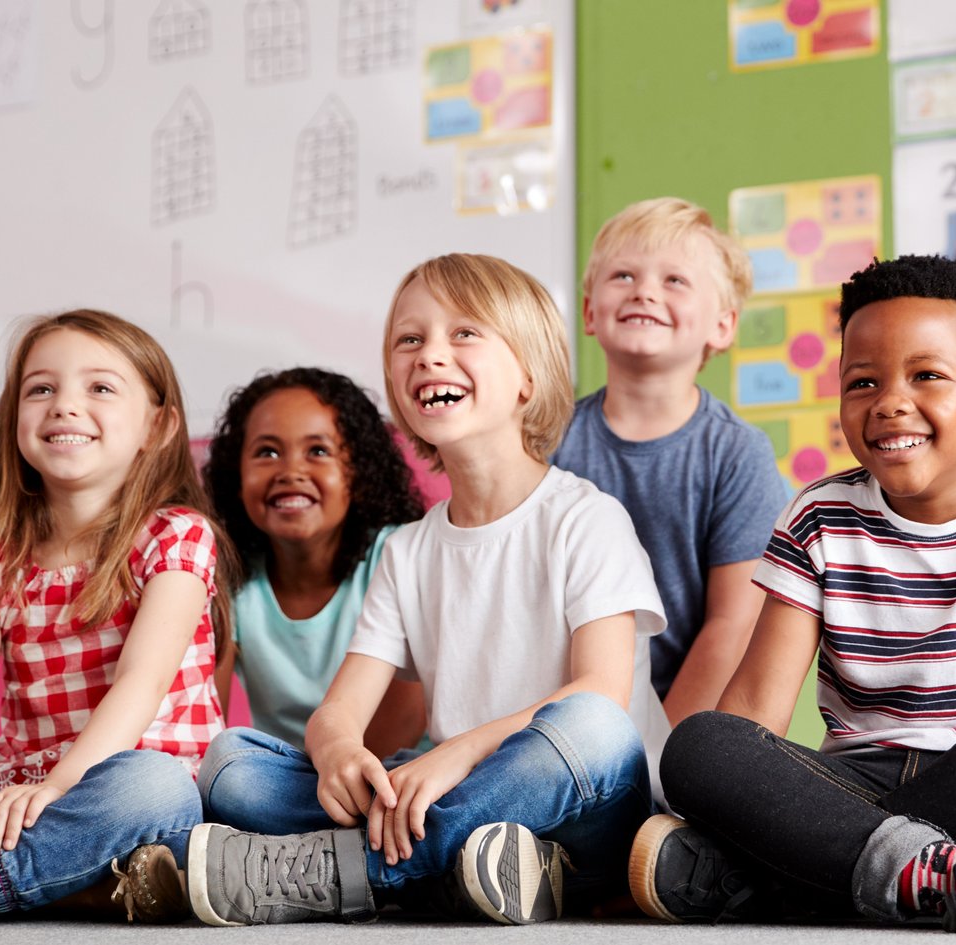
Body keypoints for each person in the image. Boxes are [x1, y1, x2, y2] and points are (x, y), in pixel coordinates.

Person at [631, 255, 956, 931]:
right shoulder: (818, 516)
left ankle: (774, 882)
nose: (890, 400)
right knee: (699, 745)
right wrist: (722, 782)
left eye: (927, 376)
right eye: (863, 381)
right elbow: (753, 708)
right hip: (848, 783)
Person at [189, 254, 667, 928]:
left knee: (592, 727)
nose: (430, 355)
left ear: (529, 376)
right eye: (409, 340)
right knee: (231, 763)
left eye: (463, 333)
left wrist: (455, 755)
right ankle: (462, 871)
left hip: (583, 810)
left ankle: (347, 874)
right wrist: (341, 756)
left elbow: (600, 695)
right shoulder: (408, 550)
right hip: (457, 802)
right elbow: (338, 713)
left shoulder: (586, 518)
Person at [0, 309, 232, 924]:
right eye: (41, 388)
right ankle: (80, 882)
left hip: (123, 798)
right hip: (11, 800)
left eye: (100, 388)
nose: (64, 405)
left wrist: (61, 788)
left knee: (152, 789)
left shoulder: (176, 537)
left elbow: (139, 684)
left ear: (159, 425)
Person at [555, 196, 788, 723]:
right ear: (590, 312)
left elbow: (732, 626)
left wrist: (656, 758)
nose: (644, 291)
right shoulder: (549, 438)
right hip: (563, 713)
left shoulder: (735, 453)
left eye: (675, 281)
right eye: (623, 275)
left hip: (678, 722)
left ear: (722, 326)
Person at [198, 367, 427, 767]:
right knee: (230, 770)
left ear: (358, 472)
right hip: (290, 780)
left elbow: (404, 722)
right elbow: (206, 719)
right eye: (267, 452)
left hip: (394, 771)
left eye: (318, 451)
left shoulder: (399, 552)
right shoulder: (228, 576)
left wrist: (338, 779)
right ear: (237, 476)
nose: (290, 472)